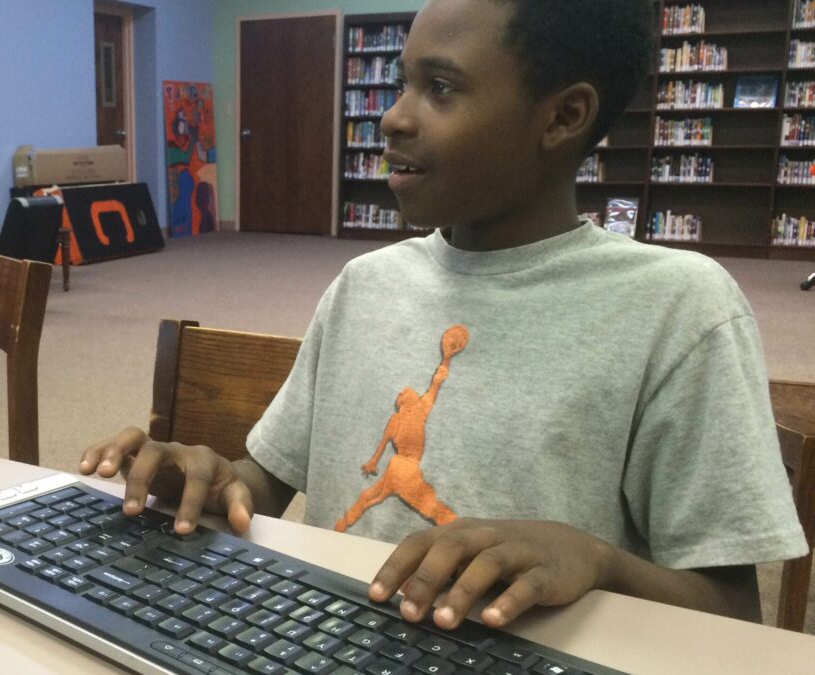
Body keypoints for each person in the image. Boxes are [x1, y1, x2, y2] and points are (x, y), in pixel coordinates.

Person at [79, 0, 808, 631]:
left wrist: (594, 559)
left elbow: (732, 613)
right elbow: (265, 483)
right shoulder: (364, 283)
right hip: (323, 637)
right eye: (403, 82)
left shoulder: (680, 309)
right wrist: (206, 478)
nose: (393, 117)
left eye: (442, 88)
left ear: (563, 115)